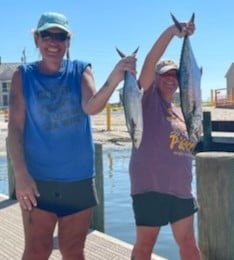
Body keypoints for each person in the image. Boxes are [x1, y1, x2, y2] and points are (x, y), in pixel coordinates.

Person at [8, 11, 136, 260]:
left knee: (73, 250)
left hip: (78, 180)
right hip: (37, 181)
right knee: (36, 250)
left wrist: (116, 76)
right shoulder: (22, 76)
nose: (53, 42)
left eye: (61, 36)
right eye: (47, 35)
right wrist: (21, 175)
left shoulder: (81, 69)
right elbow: (14, 129)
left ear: (68, 42)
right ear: (36, 39)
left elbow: (91, 107)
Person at [129, 17, 201, 260]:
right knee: (144, 246)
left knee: (190, 246)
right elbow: (150, 61)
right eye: (164, 75)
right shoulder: (147, 101)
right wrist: (173, 32)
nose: (170, 79)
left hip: (181, 191)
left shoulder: (184, 112)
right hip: (151, 188)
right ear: (156, 78)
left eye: (175, 75)